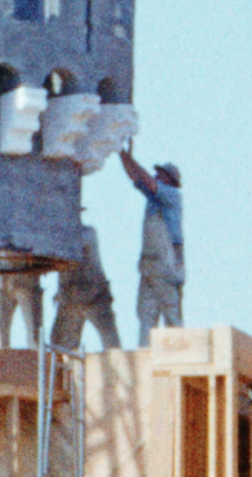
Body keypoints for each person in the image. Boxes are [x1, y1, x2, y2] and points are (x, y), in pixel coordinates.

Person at [120, 148, 183, 346]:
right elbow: (135, 177)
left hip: (166, 263)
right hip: (149, 265)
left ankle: (180, 353)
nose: (156, 175)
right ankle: (145, 356)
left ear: (169, 180)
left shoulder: (171, 196)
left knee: (171, 311)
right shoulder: (154, 199)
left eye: (161, 174)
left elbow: (147, 180)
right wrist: (122, 155)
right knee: (146, 312)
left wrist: (132, 158)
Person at [50, 224, 122, 351]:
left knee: (112, 346)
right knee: (59, 346)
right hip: (70, 298)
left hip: (94, 295)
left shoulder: (87, 233)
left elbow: (75, 245)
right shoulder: (59, 236)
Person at [0, 271, 42, 350]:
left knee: (33, 334)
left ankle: (36, 358)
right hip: (3, 282)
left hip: (25, 281)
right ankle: (0, 357)